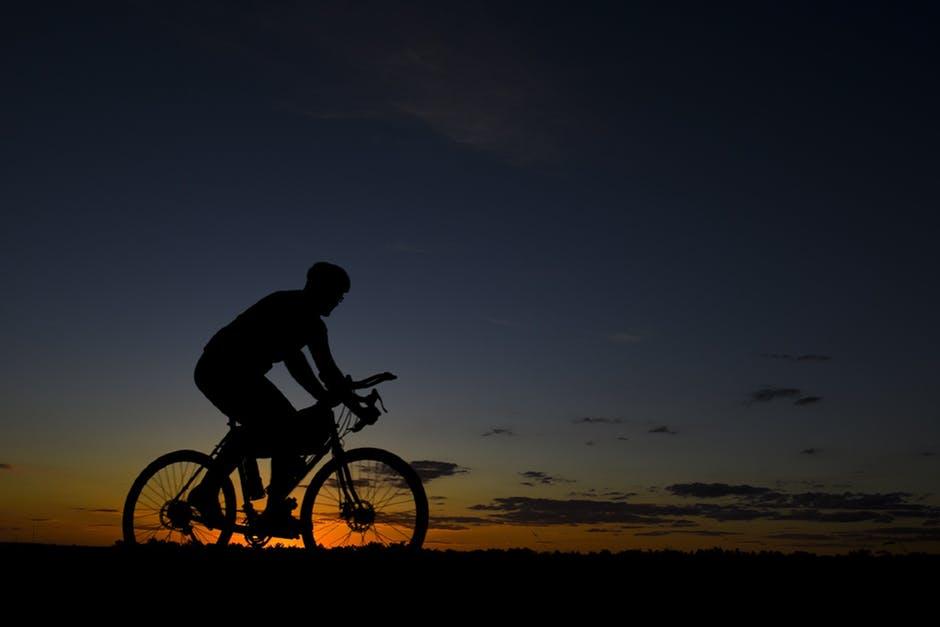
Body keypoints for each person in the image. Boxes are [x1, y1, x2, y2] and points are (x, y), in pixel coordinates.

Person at [188, 261, 372, 533]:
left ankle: (265, 496)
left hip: (245, 375)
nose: (337, 301)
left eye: (341, 296)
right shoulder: (286, 305)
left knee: (284, 431)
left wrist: (355, 404)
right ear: (316, 287)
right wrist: (331, 398)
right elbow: (296, 362)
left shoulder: (316, 328)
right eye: (336, 294)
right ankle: (215, 495)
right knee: (284, 426)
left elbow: (328, 371)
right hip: (220, 368)